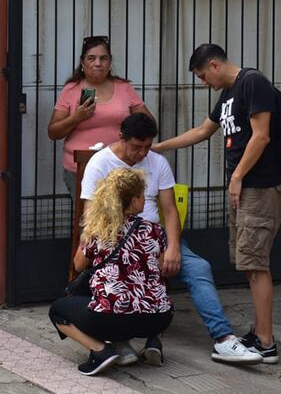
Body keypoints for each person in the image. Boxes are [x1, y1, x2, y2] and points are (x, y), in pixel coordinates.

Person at [81, 114, 262, 365]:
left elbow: (169, 211)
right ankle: (124, 337)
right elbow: (91, 216)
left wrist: (174, 247)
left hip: (156, 235)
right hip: (117, 237)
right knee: (132, 269)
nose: (142, 153)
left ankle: (223, 339)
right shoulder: (100, 163)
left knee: (199, 267)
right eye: (136, 147)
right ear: (121, 137)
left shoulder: (157, 162)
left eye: (147, 146)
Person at [153, 44, 281, 364]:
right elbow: (203, 130)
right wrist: (157, 148)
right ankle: (259, 333)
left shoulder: (252, 83)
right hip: (245, 188)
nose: (203, 82)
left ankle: (266, 343)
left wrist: (238, 176)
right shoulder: (228, 94)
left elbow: (261, 135)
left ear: (214, 65)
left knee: (255, 263)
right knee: (248, 261)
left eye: (202, 76)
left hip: (260, 185)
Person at [48, 168, 173, 376]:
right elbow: (161, 269)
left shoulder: (99, 230)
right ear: (133, 201)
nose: (145, 200)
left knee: (57, 309)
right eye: (142, 195)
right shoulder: (155, 230)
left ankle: (101, 351)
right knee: (154, 291)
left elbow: (78, 265)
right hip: (159, 317)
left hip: (111, 319)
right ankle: (153, 341)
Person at [47, 35, 153, 199]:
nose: (98, 63)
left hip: (119, 166)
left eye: (103, 58)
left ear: (110, 63)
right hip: (80, 168)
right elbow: (53, 132)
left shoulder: (123, 88)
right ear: (83, 63)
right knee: (88, 219)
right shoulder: (72, 89)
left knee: (120, 217)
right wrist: (76, 117)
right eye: (91, 58)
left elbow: (149, 124)